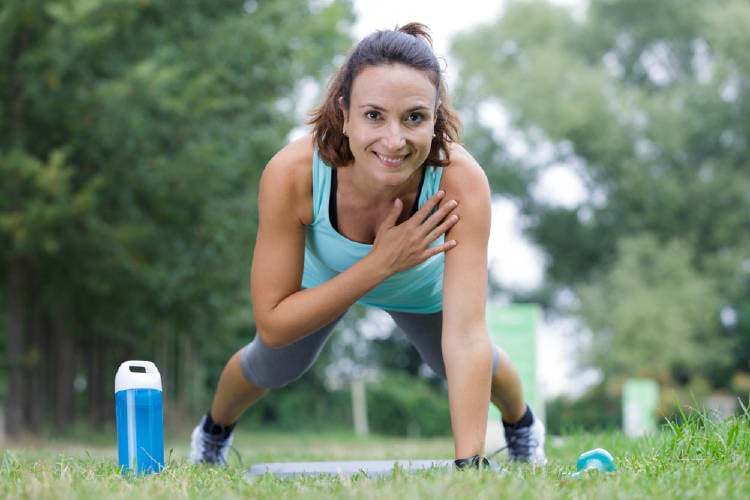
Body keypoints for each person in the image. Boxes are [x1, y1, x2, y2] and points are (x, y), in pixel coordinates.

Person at [189, 22, 546, 469]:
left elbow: (467, 335)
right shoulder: (293, 174)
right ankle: (213, 433)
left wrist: (468, 466)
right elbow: (274, 323)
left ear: (436, 116)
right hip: (324, 279)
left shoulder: (461, 182)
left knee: (462, 361)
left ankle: (522, 424)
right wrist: (380, 263)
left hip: (419, 288)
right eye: (374, 115)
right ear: (345, 111)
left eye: (414, 117)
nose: (393, 141)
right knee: (273, 364)